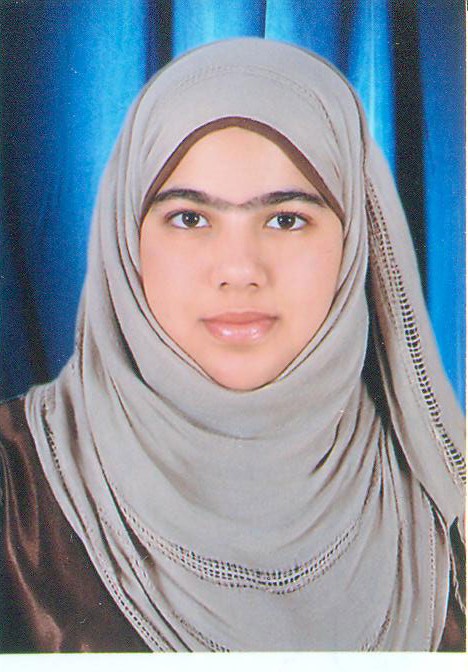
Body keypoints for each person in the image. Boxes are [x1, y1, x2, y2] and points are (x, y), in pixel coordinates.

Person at [0, 38, 465, 652]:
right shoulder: (17, 495)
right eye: (190, 218)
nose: (240, 270)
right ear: (127, 241)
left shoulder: (443, 511)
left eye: (286, 219)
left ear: (353, 242)